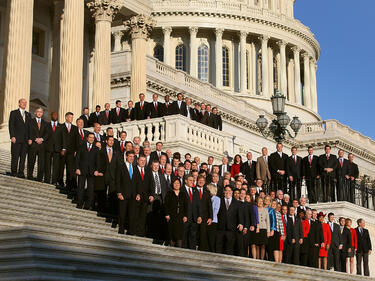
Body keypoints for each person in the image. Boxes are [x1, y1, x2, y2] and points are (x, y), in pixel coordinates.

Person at [95, 136, 119, 222]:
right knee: (102, 193)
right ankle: (101, 210)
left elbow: (117, 165)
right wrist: (97, 171)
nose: (112, 142)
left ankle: (110, 212)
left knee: (112, 194)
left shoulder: (116, 152)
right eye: (110, 140)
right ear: (106, 141)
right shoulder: (101, 151)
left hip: (112, 176)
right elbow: (98, 161)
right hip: (103, 174)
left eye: (113, 141)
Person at [216, 185, 244, 255]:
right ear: (224, 192)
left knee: (229, 247)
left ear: (232, 192)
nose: (227, 192)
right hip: (220, 227)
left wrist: (240, 223)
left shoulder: (237, 203)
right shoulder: (220, 200)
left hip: (231, 228)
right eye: (226, 190)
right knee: (219, 246)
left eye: (229, 191)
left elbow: (239, 214)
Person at [147, 160, 169, 243]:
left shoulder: (161, 176)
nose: (156, 167)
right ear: (151, 166)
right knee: (150, 215)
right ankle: (149, 234)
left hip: (160, 198)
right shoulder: (148, 175)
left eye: (157, 166)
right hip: (152, 196)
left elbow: (164, 189)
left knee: (158, 217)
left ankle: (156, 235)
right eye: (154, 165)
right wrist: (150, 195)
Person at [75, 132, 99, 210]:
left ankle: (87, 205)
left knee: (90, 189)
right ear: (87, 138)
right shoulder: (81, 146)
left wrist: (97, 170)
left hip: (91, 171)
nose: (92, 139)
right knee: (80, 187)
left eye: (93, 138)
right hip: (82, 170)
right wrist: (77, 168)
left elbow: (97, 161)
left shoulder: (96, 149)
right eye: (90, 137)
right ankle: (79, 203)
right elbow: (77, 158)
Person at [8, 98, 31, 178]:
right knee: (15, 156)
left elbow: (29, 128)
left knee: (23, 157)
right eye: (23, 102)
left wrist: (29, 138)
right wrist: (12, 136)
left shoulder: (28, 115)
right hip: (16, 139)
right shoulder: (14, 113)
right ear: (19, 103)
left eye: (25, 103)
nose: (24, 104)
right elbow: (11, 125)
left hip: (25, 140)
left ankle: (21, 172)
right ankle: (14, 171)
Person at [116, 150, 136, 235]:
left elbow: (136, 182)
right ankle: (121, 229)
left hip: (132, 195)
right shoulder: (121, 166)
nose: (132, 158)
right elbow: (117, 181)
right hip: (123, 194)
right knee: (122, 213)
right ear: (126, 157)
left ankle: (130, 230)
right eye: (130, 156)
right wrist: (119, 193)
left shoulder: (135, 167)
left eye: (133, 157)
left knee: (131, 214)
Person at [27, 107, 49, 181]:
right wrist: (35, 139)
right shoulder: (30, 121)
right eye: (38, 111)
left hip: (42, 145)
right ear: (35, 113)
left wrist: (42, 139)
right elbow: (29, 131)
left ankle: (39, 177)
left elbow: (47, 134)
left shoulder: (46, 123)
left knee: (41, 162)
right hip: (33, 143)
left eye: (41, 112)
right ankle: (29, 175)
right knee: (31, 160)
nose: (39, 113)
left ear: (42, 114)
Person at [164, 179, 188, 247]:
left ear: (180, 185)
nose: (176, 185)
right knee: (172, 233)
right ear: (172, 184)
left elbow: (186, 206)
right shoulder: (169, 193)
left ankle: (178, 250)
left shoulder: (183, 194)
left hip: (180, 217)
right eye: (175, 183)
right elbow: (166, 205)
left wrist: (185, 215)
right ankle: (171, 248)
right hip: (172, 216)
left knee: (179, 234)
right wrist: (167, 214)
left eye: (178, 183)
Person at [133, 155, 153, 237]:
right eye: (141, 160)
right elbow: (132, 184)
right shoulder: (133, 169)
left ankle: (140, 232)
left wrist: (151, 195)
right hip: (136, 196)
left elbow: (151, 184)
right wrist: (135, 194)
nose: (143, 162)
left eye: (144, 161)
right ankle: (134, 230)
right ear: (137, 161)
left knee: (143, 216)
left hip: (145, 197)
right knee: (135, 214)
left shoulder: (148, 171)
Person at [181, 174, 202, 249]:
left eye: (193, 180)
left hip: (194, 218)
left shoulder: (195, 190)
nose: (192, 182)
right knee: (184, 235)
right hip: (185, 217)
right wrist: (183, 215)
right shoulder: (181, 190)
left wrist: (199, 216)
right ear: (185, 181)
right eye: (190, 180)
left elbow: (198, 204)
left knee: (193, 236)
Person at [60, 112, 78, 192]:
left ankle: (69, 184)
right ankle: (60, 181)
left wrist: (75, 150)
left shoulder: (75, 128)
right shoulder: (60, 126)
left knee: (70, 169)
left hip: (71, 152)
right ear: (66, 117)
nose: (71, 119)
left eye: (72, 117)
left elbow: (76, 140)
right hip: (62, 151)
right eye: (70, 117)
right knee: (61, 167)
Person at [45, 112, 65, 185]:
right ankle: (47, 179)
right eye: (53, 114)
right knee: (47, 165)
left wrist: (64, 148)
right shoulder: (46, 125)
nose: (55, 116)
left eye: (56, 115)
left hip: (57, 149)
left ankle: (54, 180)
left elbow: (63, 138)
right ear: (51, 116)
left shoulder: (61, 126)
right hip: (48, 148)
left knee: (56, 166)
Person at [196, 176, 213, 252]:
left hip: (205, 217)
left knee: (203, 235)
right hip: (194, 215)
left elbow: (209, 205)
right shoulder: (193, 190)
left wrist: (210, 217)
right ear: (197, 181)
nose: (201, 181)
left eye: (202, 180)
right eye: (199, 180)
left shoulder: (207, 192)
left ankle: (201, 251)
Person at [206, 184, 221, 253]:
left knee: (211, 239)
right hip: (206, 220)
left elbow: (216, 210)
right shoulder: (206, 198)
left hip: (213, 221)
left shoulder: (217, 199)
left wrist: (211, 218)